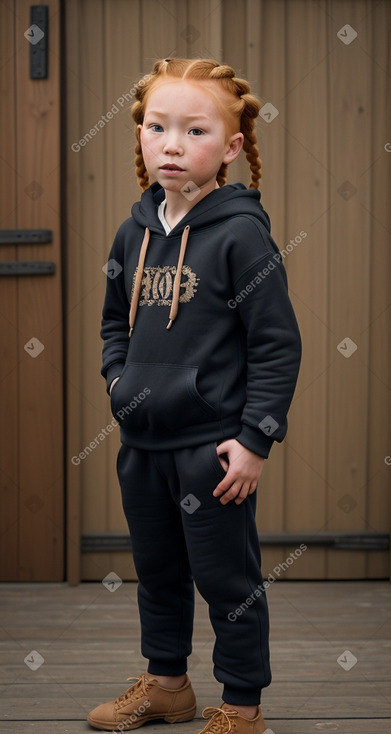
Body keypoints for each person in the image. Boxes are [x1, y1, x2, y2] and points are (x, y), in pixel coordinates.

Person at [87, 57, 301, 734]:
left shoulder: (240, 233)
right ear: (141, 135)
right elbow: (111, 323)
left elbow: (276, 345)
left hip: (211, 451)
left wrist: (254, 439)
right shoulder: (134, 232)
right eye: (157, 127)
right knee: (157, 572)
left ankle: (241, 707)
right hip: (142, 442)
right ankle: (167, 685)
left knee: (228, 583)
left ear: (231, 148)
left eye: (195, 130)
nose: (172, 144)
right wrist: (118, 382)